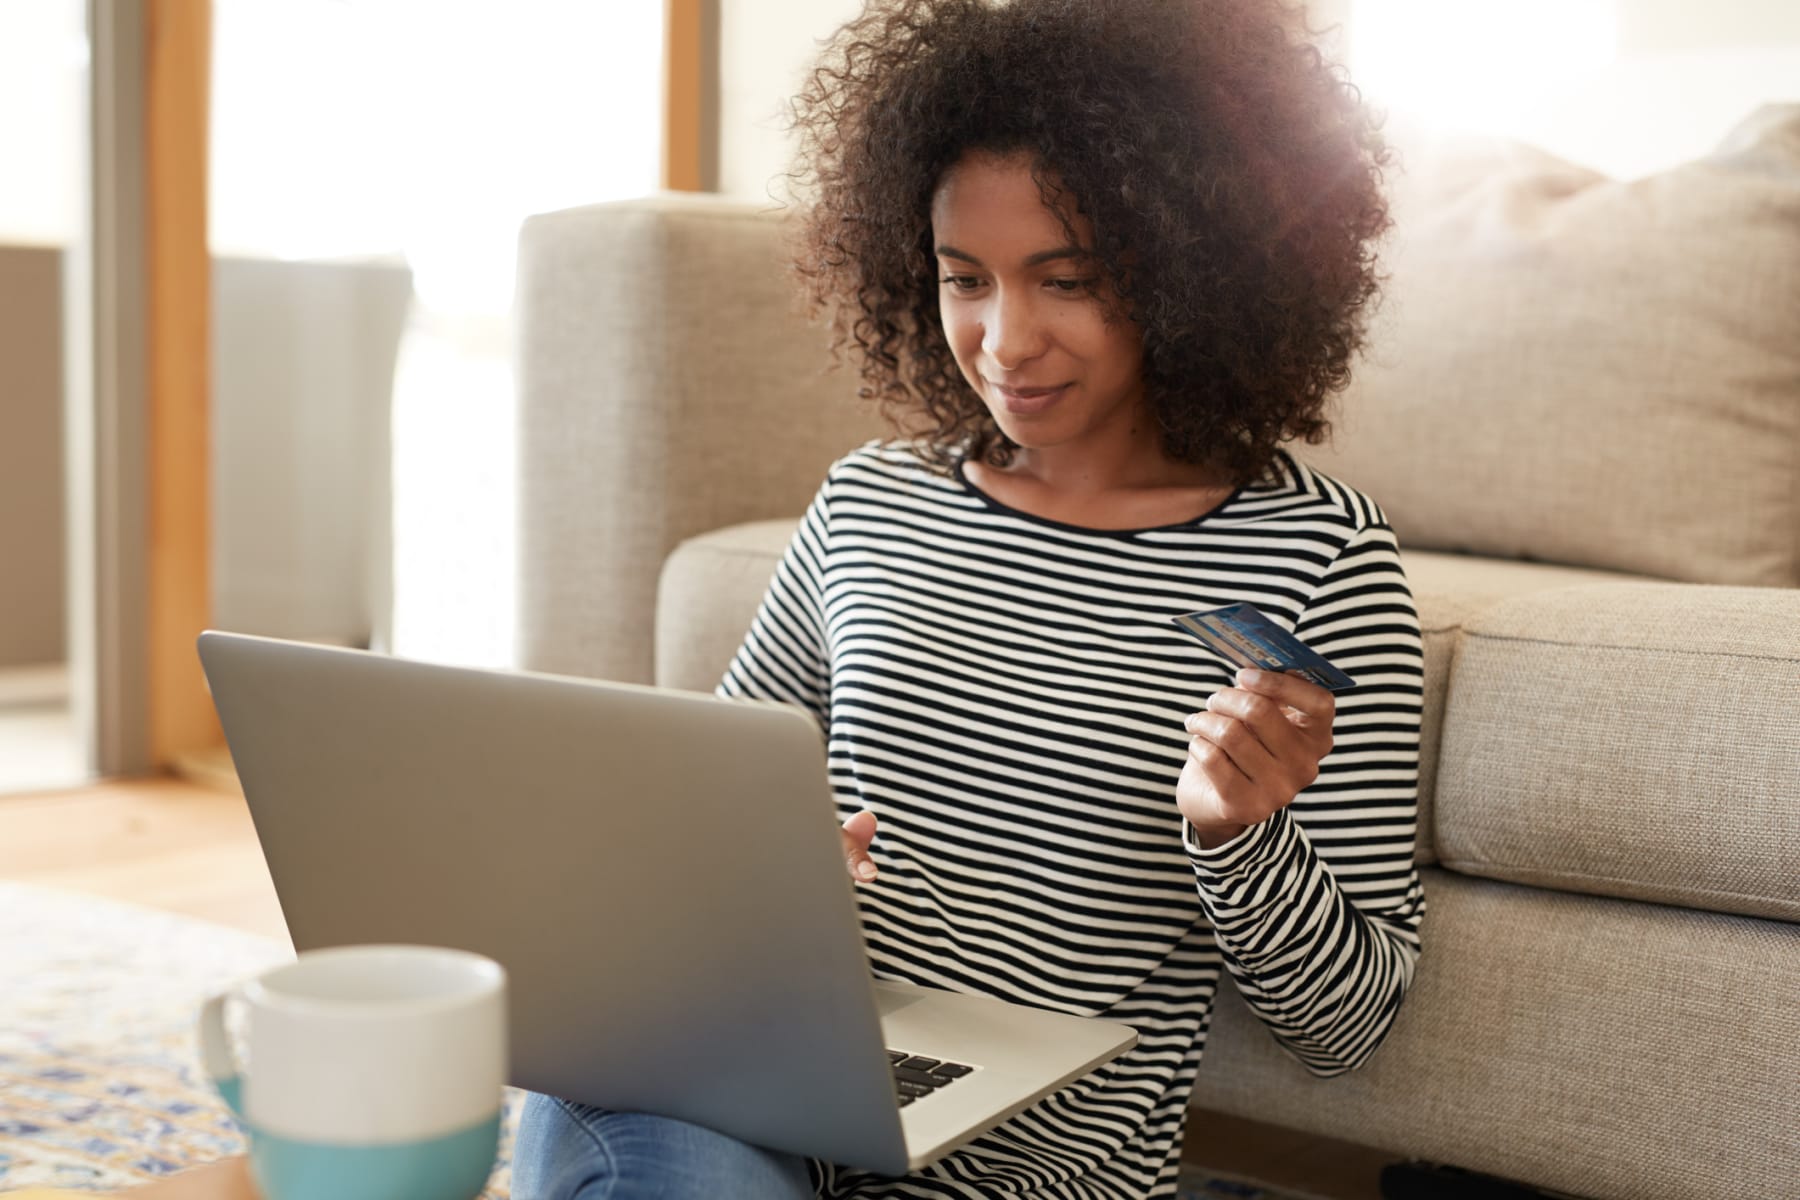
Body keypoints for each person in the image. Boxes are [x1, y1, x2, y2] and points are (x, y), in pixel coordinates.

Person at [512, 0, 1425, 1196]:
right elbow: (703, 823)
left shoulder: (1317, 560)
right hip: (755, 1102)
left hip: (1021, 1178)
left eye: (1068, 279)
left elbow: (1346, 1029)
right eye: (965, 279)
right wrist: (766, 874)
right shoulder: (869, 505)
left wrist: (1238, 838)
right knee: (617, 1098)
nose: (1005, 341)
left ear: (1201, 268)